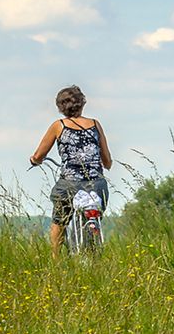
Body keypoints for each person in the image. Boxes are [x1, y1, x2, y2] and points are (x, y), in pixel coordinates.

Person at [29, 86, 113, 258]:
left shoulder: (58, 126)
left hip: (69, 184)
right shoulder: (95, 125)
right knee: (94, 213)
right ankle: (93, 230)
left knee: (59, 221)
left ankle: (56, 260)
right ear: (82, 104)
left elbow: (39, 155)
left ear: (60, 107)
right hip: (96, 184)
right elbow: (107, 160)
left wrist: (35, 161)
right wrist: (106, 165)